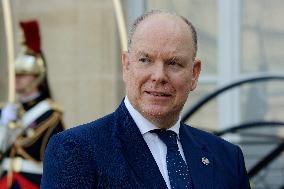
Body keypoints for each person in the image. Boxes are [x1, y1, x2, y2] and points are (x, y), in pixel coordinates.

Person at [41, 10, 251, 189]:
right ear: (126, 66)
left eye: (174, 63)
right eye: (145, 60)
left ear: (194, 74)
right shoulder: (76, 149)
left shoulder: (227, 158)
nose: (158, 75)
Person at [0, 20, 65, 189]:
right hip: (4, 180)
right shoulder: (5, 111)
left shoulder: (49, 114)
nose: (17, 79)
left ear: (37, 77)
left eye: (23, 74)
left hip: (31, 182)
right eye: (16, 74)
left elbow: (56, 159)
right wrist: (3, 125)